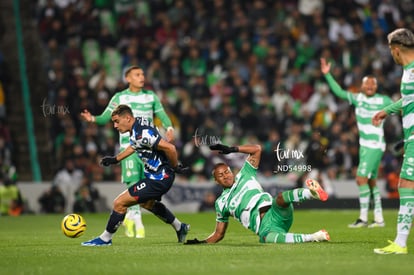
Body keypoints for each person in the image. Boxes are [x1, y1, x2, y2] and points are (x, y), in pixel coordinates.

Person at [81, 65, 175, 238]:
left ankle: (132, 216)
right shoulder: (120, 97)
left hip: (149, 147)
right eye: (137, 74)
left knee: (144, 184)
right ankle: (136, 219)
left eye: (143, 73)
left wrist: (169, 127)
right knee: (133, 181)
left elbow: (162, 114)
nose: (142, 77)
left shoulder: (150, 96)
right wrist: (92, 118)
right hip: (128, 146)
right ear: (128, 78)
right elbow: (105, 117)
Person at [81, 104, 189, 246]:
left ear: (127, 118)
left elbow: (171, 148)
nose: (114, 126)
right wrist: (115, 159)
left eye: (116, 121)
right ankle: (180, 227)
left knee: (119, 203)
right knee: (147, 203)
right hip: (156, 176)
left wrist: (175, 166)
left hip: (160, 177)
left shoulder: (142, 133)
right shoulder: (138, 125)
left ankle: (105, 238)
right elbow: (135, 145)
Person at [184, 143, 330, 245]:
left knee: (280, 198)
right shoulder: (221, 203)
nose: (226, 175)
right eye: (221, 175)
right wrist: (202, 242)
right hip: (265, 227)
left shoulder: (244, 174)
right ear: (216, 181)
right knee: (265, 239)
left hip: (275, 212)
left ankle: (310, 193)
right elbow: (218, 234)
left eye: (227, 171)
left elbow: (256, 149)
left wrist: (232, 149)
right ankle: (315, 236)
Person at [320, 57, 393, 228]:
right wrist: (328, 75)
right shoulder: (357, 98)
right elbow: (338, 92)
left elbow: (401, 106)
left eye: (372, 84)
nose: (369, 87)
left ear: (377, 86)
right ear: (361, 86)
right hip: (364, 145)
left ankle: (363, 218)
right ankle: (379, 219)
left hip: (375, 144)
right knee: (371, 181)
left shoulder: (384, 100)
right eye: (366, 84)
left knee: (360, 179)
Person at [372, 28, 414, 255]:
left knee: (406, 185)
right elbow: (408, 100)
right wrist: (386, 111)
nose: (391, 55)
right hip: (411, 137)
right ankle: (400, 242)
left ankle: (400, 243)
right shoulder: (408, 72)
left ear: (396, 50)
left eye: (391, 51)